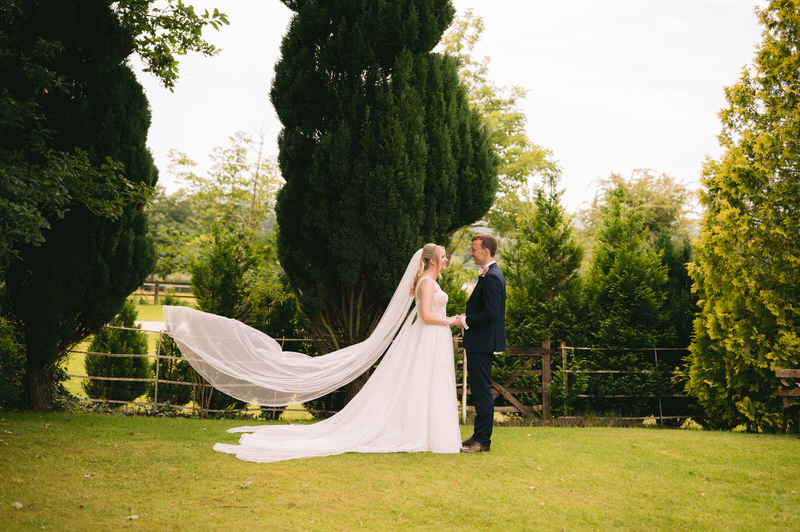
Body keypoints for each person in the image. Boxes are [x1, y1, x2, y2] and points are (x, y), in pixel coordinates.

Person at [164, 243, 461, 463]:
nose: (447, 260)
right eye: (444, 256)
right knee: (425, 381)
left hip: (432, 340)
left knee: (428, 384)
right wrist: (452, 320)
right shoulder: (426, 283)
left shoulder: (431, 281)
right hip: (429, 335)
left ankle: (429, 433)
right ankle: (424, 433)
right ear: (433, 260)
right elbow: (424, 315)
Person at [455, 234, 506, 453]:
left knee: (482, 391)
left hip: (482, 343)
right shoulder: (489, 275)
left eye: (474, 249)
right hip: (479, 342)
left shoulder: (493, 276)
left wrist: (465, 321)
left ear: (486, 251)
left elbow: (491, 314)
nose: (471, 253)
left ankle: (483, 440)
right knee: (478, 390)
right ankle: (477, 435)